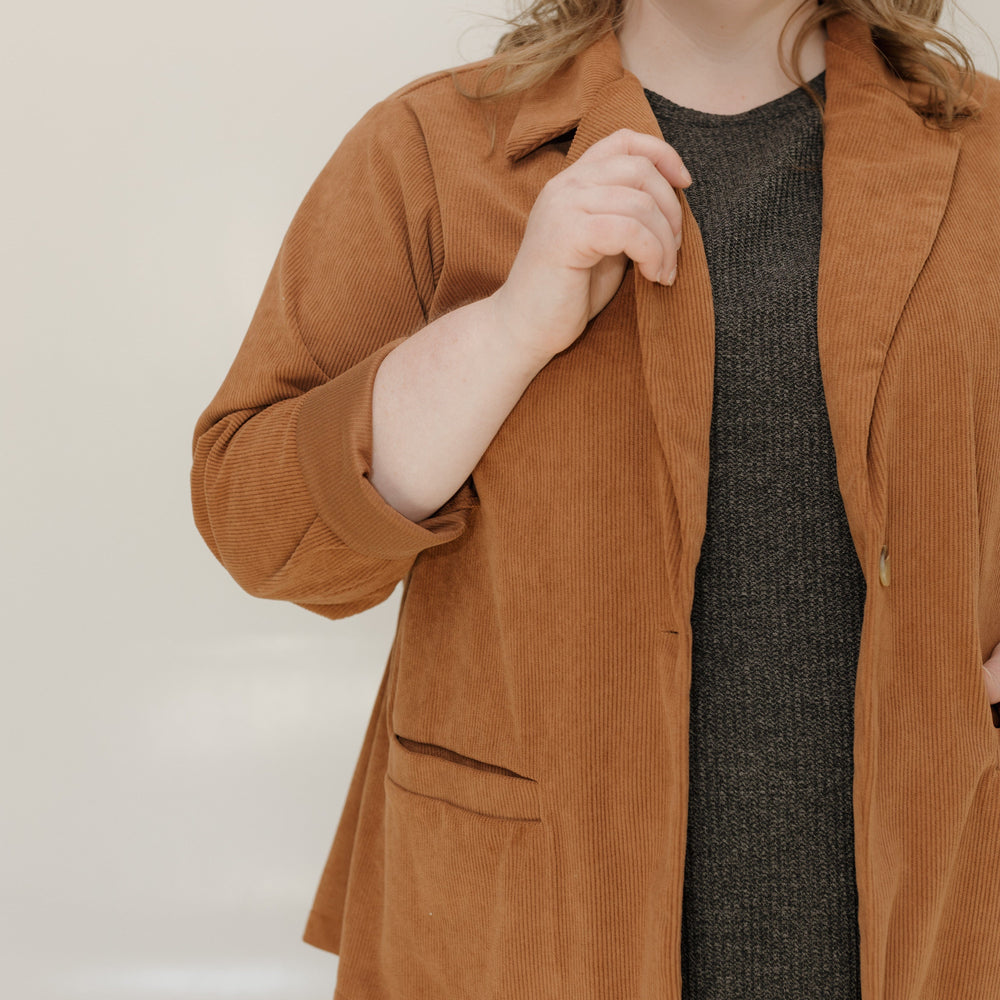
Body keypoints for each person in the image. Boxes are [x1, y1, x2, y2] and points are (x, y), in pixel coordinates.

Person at [190, 1, 1000, 997]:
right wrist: (509, 329)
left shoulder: (986, 156)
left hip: (941, 926)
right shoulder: (430, 153)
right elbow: (258, 522)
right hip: (518, 941)